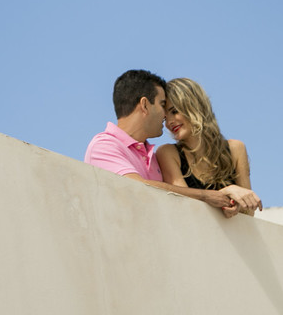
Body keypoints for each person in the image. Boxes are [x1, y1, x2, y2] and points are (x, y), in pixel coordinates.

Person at [85, 69, 260, 217]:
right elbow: (137, 186)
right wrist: (212, 195)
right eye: (163, 107)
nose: (166, 120)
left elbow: (248, 214)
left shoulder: (151, 157)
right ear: (145, 105)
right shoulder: (105, 146)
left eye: (174, 111)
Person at [157, 78, 262, 216]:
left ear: (194, 105)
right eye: (165, 118)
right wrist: (227, 191)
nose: (169, 122)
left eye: (175, 111)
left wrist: (236, 206)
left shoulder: (236, 149)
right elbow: (183, 204)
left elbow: (248, 212)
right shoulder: (167, 153)